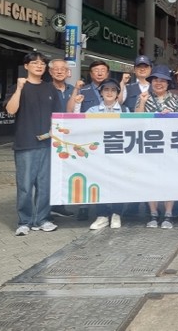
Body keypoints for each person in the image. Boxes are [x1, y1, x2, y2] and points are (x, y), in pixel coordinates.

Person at [5, 52, 63, 236]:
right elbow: (10, 110)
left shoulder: (50, 88)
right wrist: (19, 88)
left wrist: (55, 130)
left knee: (44, 185)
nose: (39, 66)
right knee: (25, 185)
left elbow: (58, 115)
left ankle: (42, 219)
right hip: (25, 143)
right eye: (35, 63)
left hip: (47, 144)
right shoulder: (18, 87)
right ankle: (24, 221)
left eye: (42, 63)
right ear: (26, 66)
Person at [136, 65, 178, 229]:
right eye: (156, 80)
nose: (159, 83)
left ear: (168, 83)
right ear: (151, 82)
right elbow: (135, 120)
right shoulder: (144, 97)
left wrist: (172, 115)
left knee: (170, 179)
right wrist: (143, 102)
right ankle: (153, 213)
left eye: (163, 81)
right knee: (151, 179)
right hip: (149, 145)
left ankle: (168, 214)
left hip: (171, 145)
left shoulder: (176, 99)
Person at [66, 59, 111, 221]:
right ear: (90, 74)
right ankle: (83, 206)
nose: (99, 73)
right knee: (85, 172)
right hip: (87, 139)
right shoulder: (83, 90)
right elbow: (70, 111)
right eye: (96, 70)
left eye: (102, 70)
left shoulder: (112, 89)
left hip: (108, 139)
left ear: (107, 73)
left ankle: (104, 205)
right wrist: (76, 90)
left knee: (104, 173)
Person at [85, 79, 129, 230]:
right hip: (98, 154)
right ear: (101, 92)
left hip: (119, 153)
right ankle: (102, 215)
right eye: (106, 90)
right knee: (99, 182)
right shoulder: (92, 111)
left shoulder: (125, 111)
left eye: (113, 90)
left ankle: (117, 213)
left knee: (118, 183)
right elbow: (81, 127)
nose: (109, 93)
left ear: (118, 94)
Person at [47, 58, 76, 218]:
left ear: (68, 72)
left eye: (63, 69)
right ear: (50, 72)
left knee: (63, 172)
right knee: (47, 173)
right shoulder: (45, 89)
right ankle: (44, 208)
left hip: (69, 138)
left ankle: (59, 205)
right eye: (56, 69)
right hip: (49, 137)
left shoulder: (74, 90)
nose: (59, 71)